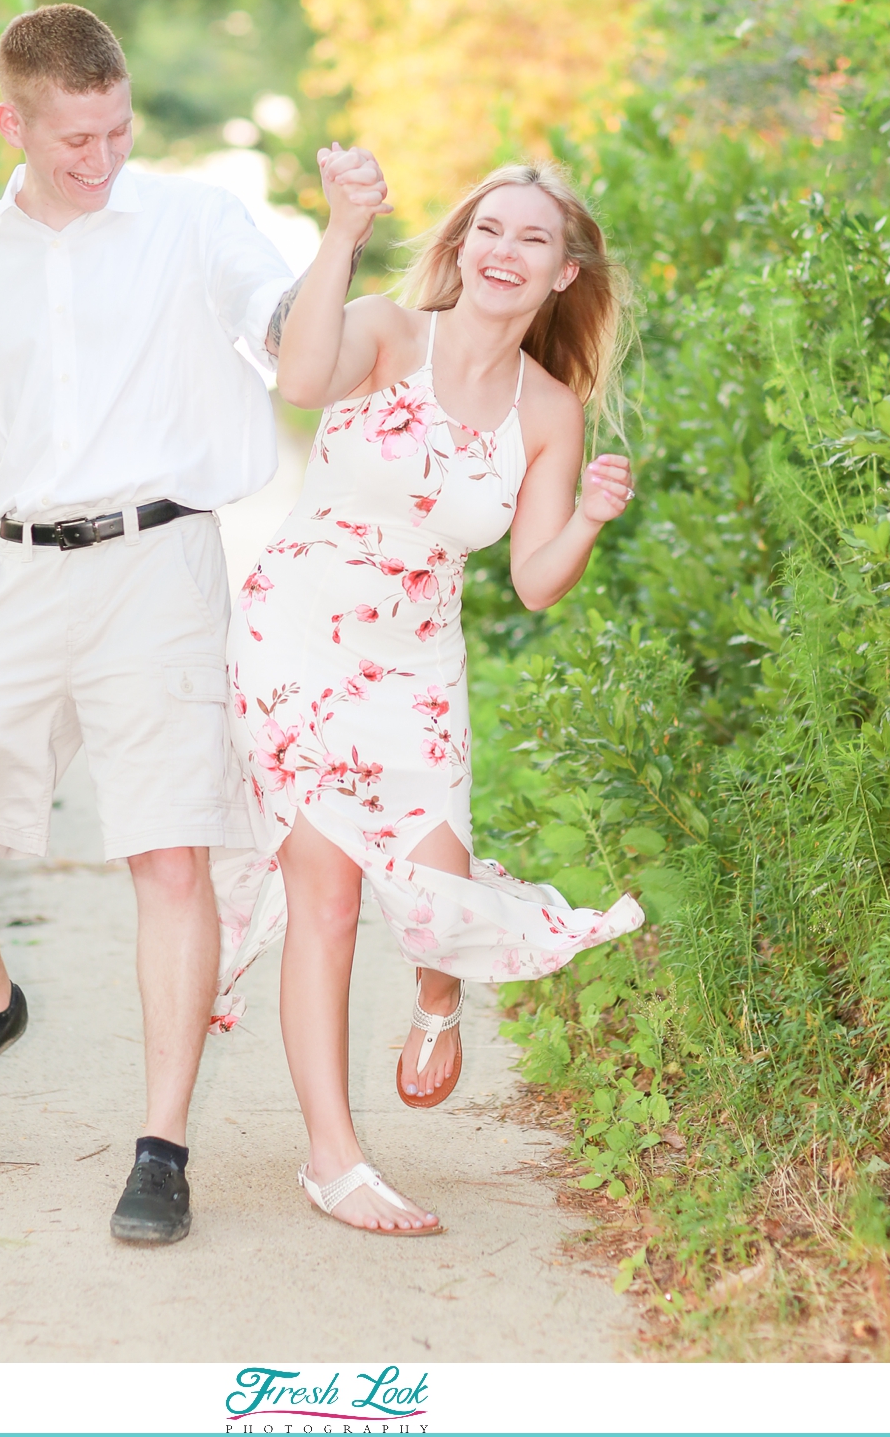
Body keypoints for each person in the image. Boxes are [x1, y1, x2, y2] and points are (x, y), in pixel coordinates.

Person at [0, 3, 387, 1246]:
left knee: (168, 855)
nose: (100, 160)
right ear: (13, 123)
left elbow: (286, 339)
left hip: (161, 566)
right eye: (74, 139)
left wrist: (344, 235)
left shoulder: (195, 222)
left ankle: (161, 1148)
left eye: (117, 130)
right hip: (20, 575)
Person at [212, 152, 646, 1235]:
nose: (504, 251)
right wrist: (343, 229)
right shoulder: (385, 332)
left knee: (432, 887)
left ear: (562, 273)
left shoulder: (550, 410)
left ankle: (437, 996)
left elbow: (536, 581)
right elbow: (300, 381)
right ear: (460, 246)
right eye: (488, 230)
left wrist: (589, 515)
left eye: (532, 239)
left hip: (416, 666)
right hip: (293, 636)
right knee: (330, 893)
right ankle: (334, 1159)